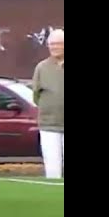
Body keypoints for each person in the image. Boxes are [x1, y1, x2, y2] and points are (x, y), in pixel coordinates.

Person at [31, 28, 64, 179]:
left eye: (58, 44)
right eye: (51, 44)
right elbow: (36, 95)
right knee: (52, 170)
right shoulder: (41, 67)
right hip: (48, 124)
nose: (54, 47)